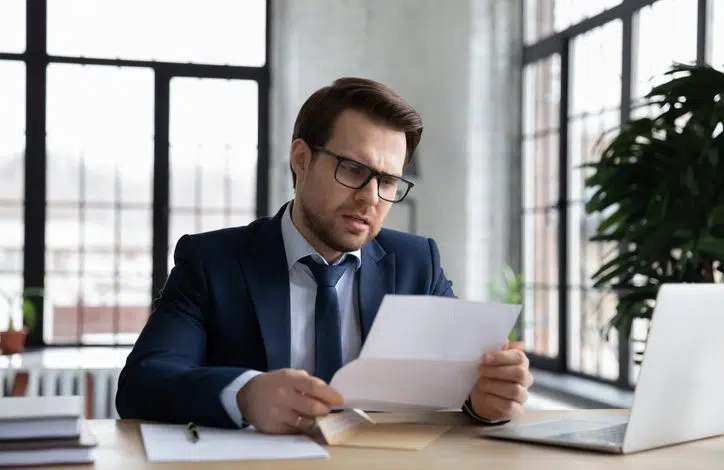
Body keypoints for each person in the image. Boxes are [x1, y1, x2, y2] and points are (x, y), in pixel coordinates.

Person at [115, 77, 534, 434]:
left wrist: (484, 401)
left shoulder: (416, 262)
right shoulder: (212, 262)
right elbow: (142, 383)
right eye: (353, 170)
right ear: (301, 159)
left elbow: (458, 379)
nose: (371, 198)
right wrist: (244, 395)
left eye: (388, 181)